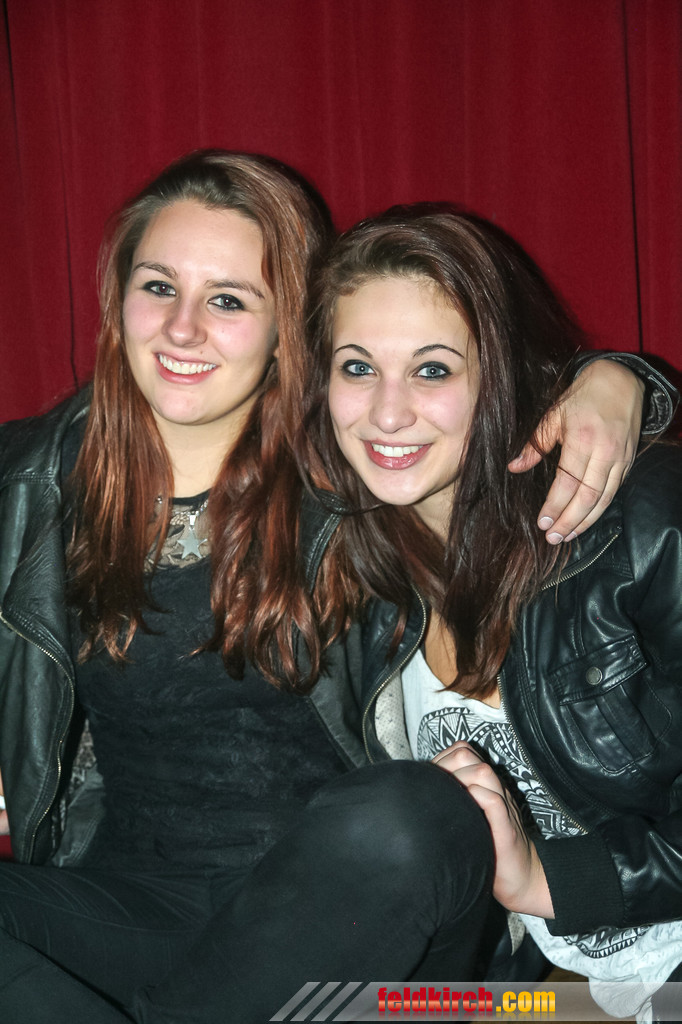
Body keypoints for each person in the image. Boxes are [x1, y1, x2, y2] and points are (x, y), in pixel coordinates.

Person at [0, 152, 675, 1023]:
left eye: (229, 300)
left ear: (290, 333)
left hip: (357, 912)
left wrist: (622, 381)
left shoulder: (349, 479)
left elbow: (487, 396)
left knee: (409, 813)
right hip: (132, 907)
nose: (181, 328)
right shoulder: (31, 486)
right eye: (158, 287)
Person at [301, 203, 682, 1021]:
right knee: (305, 1008)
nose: (388, 413)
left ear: (500, 374)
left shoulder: (643, 525)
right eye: (358, 367)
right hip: (529, 990)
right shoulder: (353, 569)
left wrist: (544, 879)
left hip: (666, 973)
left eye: (433, 370)